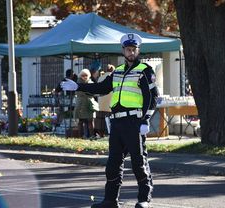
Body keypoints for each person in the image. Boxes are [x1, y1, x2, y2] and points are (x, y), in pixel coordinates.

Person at [61, 33, 158, 208]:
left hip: (134, 123)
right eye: (128, 49)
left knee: (139, 162)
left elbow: (152, 97)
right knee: (113, 164)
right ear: (123, 50)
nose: (130, 52)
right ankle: (110, 200)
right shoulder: (118, 71)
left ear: (138, 50)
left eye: (133, 49)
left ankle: (145, 199)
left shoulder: (145, 70)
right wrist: (79, 86)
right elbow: (101, 88)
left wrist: (146, 120)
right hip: (117, 124)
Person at [74, 69, 96, 138]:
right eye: (83, 75)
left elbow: (94, 92)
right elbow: (78, 92)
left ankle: (92, 136)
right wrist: (87, 93)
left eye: (86, 75)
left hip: (89, 104)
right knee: (80, 122)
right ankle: (80, 137)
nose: (85, 77)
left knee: (90, 121)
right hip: (81, 104)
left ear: (88, 75)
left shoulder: (91, 82)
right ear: (80, 76)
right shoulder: (77, 83)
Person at [95, 64, 115, 137]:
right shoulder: (113, 77)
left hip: (101, 101)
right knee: (111, 119)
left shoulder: (100, 77)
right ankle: (110, 133)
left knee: (100, 120)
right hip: (111, 100)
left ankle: (101, 134)